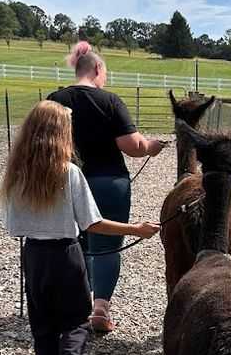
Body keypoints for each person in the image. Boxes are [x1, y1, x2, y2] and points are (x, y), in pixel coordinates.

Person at [0, 101, 159, 355]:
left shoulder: (17, 175)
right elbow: (92, 223)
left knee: (43, 326)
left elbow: (13, 226)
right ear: (61, 135)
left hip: (34, 256)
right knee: (76, 321)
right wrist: (136, 230)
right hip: (67, 254)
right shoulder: (69, 172)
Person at [49, 41, 167, 333]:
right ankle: (100, 308)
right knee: (107, 245)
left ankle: (73, 305)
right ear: (98, 69)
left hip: (64, 180)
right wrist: (152, 146)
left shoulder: (54, 100)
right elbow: (133, 146)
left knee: (73, 242)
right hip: (108, 182)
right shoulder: (110, 102)